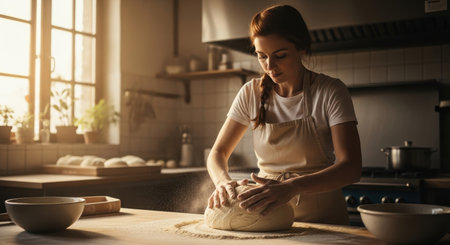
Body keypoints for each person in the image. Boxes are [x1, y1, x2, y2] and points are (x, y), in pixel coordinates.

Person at [206, 5, 362, 225]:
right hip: (266, 218)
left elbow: (351, 168)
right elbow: (218, 152)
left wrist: (293, 186)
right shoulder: (250, 93)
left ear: (301, 49)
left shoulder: (329, 91)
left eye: (280, 55)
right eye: (262, 56)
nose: (270, 66)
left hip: (323, 220)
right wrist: (222, 181)